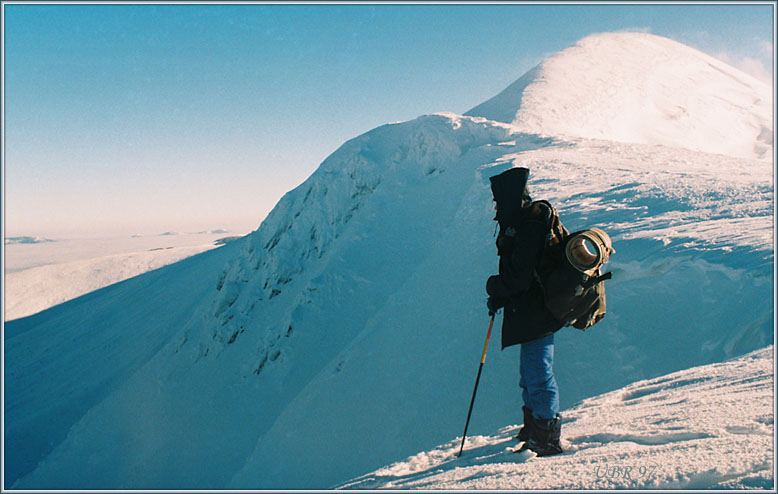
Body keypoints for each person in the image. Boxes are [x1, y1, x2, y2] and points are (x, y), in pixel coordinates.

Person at [485, 167, 565, 457]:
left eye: (497, 200)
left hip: (538, 312)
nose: (495, 206)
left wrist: (494, 287)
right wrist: (501, 296)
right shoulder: (520, 222)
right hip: (529, 310)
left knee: (538, 372)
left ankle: (546, 435)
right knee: (529, 372)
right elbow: (522, 277)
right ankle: (534, 427)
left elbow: (519, 277)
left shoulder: (529, 226)